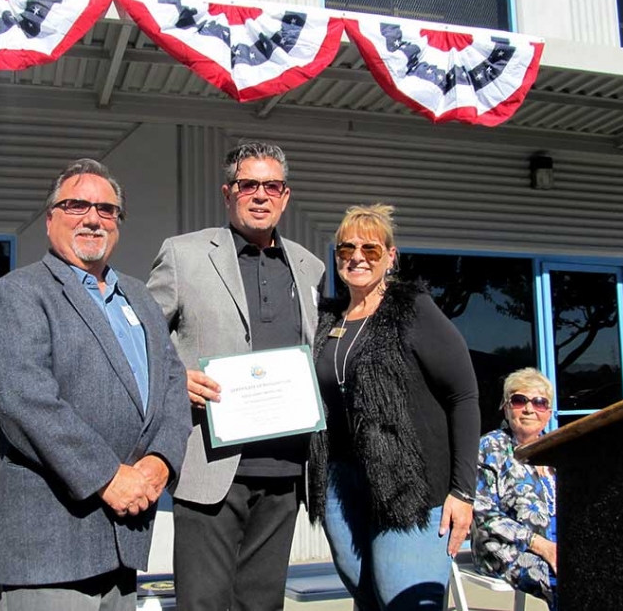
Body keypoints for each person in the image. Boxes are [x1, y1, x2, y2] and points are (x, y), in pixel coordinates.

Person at [0, 159, 192, 611]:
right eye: (76, 205)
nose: (93, 218)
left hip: (125, 539)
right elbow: (25, 400)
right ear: (50, 217)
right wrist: (108, 476)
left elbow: (173, 383)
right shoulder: (19, 293)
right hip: (48, 547)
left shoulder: (139, 298)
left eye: (107, 209)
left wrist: (160, 461)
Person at [147, 142, 325, 610]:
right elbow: (141, 337)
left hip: (286, 473)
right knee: (203, 604)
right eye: (249, 184)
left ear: (286, 197)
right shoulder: (184, 254)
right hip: (211, 468)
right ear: (229, 193)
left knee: (263, 606)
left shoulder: (310, 266)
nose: (261, 195)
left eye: (272, 186)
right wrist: (173, 377)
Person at [307, 203, 480, 611]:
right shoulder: (326, 319)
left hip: (411, 488)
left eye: (370, 249)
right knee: (364, 595)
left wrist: (463, 491)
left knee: (402, 599)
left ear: (391, 256)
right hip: (341, 483)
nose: (357, 257)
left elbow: (464, 396)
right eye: (347, 248)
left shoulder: (414, 310)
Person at [472, 367, 558, 609]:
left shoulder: (558, 446)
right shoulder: (488, 448)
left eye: (539, 402)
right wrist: (541, 545)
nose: (530, 409)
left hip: (558, 543)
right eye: (520, 400)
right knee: (565, 582)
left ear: (548, 412)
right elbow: (483, 512)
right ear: (506, 407)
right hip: (507, 549)